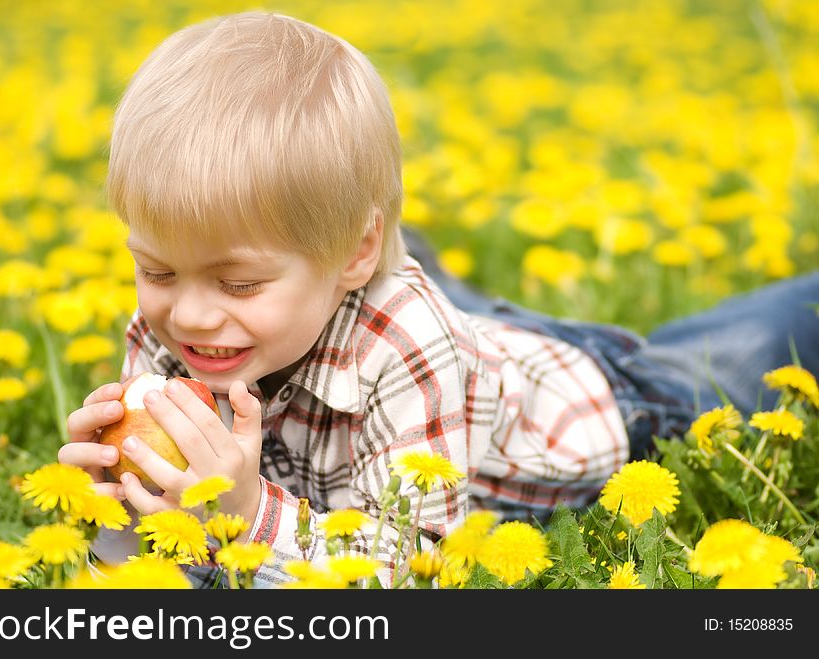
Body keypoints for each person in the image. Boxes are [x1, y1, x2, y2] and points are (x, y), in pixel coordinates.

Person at [59, 11, 819, 588]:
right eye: (157, 272)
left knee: (760, 341)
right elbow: (144, 579)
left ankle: (412, 269)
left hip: (600, 400)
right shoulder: (180, 333)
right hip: (416, 331)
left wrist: (249, 511)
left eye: (238, 282)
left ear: (353, 254)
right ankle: (395, 260)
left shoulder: (406, 345)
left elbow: (413, 569)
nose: (187, 314)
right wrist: (115, 509)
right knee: (395, 294)